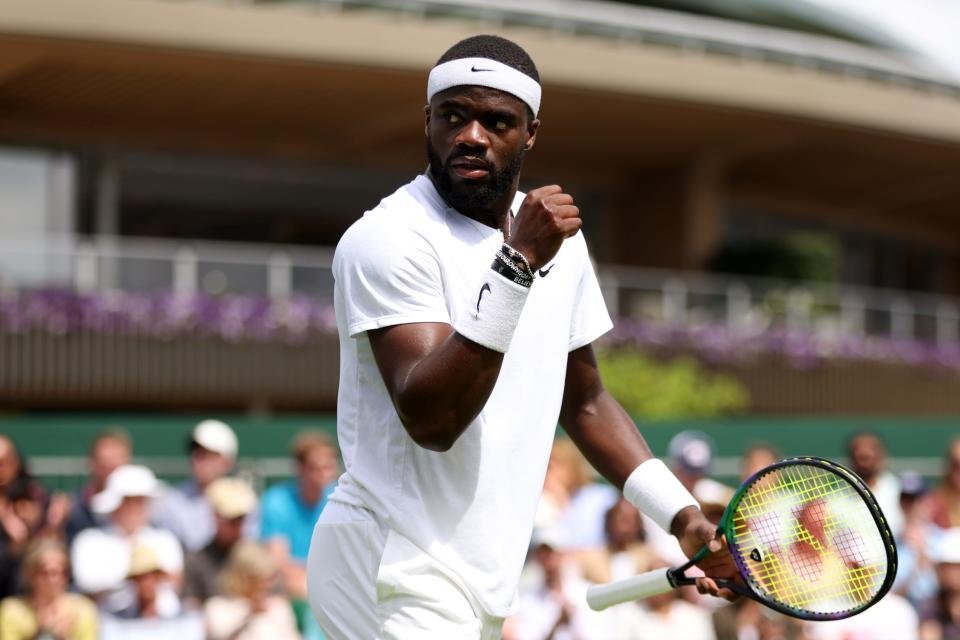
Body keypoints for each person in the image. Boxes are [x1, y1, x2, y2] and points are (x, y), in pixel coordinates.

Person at [307, 33, 737, 638]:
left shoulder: (559, 243)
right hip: (392, 564)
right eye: (453, 116)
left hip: (477, 581)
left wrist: (683, 518)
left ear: (530, 132)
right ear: (427, 121)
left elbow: (584, 400)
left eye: (497, 120)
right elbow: (434, 420)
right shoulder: (387, 238)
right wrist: (517, 264)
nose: (472, 136)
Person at [70, 464, 183, 617]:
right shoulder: (90, 541)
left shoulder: (165, 539)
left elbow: (175, 580)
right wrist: (138, 573)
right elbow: (87, 582)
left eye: (140, 501)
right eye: (127, 501)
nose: (133, 508)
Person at [261, 431, 337, 639]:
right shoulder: (276, 501)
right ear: (300, 468)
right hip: (290, 589)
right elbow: (278, 563)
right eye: (316, 467)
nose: (324, 473)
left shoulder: (340, 500)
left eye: (328, 466)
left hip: (327, 584)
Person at [154, 419, 239, 552]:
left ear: (227, 462)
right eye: (196, 451)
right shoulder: (172, 501)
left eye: (208, 454)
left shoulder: (243, 501)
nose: (199, 459)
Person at [0, 539, 97, 640]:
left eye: (59, 573)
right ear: (30, 574)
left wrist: (64, 637)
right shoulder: (12, 610)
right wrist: (41, 634)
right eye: (46, 573)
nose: (53, 580)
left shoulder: (82, 610)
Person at [184, 477, 259, 606]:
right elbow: (191, 606)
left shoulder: (259, 557)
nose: (237, 525)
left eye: (241, 518)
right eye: (231, 519)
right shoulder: (197, 561)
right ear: (215, 516)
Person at [203, 541, 300, 640]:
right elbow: (219, 635)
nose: (264, 585)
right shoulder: (217, 607)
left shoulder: (279, 607)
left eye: (267, 578)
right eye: (256, 578)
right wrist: (249, 613)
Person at [65, 429, 132, 546]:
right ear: (92, 462)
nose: (109, 470)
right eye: (103, 462)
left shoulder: (146, 505)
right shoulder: (73, 506)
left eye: (114, 462)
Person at [847, 431, 904, 538]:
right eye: (860, 456)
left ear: (881, 456)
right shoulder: (833, 498)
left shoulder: (899, 490)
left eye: (872, 450)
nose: (865, 454)